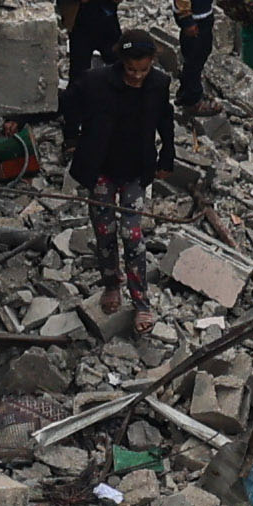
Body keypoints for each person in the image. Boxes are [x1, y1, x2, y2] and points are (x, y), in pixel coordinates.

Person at [63, 21, 176, 306]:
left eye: (143, 70)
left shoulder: (159, 84)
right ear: (122, 63)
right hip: (101, 170)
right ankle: (111, 284)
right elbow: (66, 106)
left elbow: (165, 119)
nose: (137, 77)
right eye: (131, 70)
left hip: (136, 170)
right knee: (104, 231)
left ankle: (140, 301)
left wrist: (167, 155)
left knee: (132, 235)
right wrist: (69, 135)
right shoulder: (95, 82)